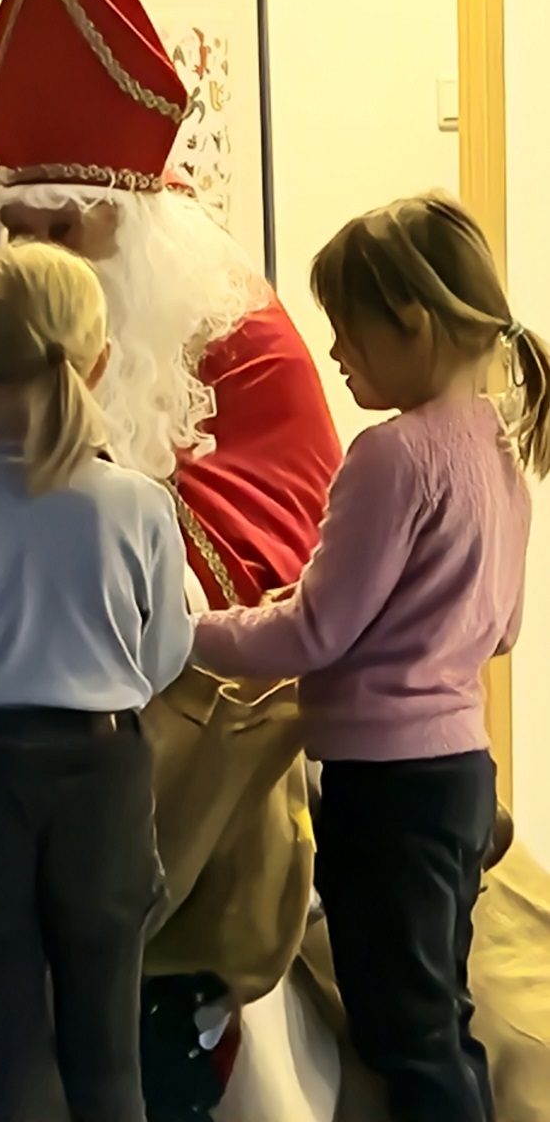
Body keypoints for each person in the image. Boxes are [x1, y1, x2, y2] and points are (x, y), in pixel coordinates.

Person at [0, 0, 343, 1122]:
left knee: (22, 1038)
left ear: (137, 226)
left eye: (69, 231)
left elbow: (283, 531)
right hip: (100, 775)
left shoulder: (239, 333)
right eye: (18, 227)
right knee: (91, 1043)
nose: (40, 256)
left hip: (182, 754)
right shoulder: (89, 462)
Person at [193, 191, 546, 1122]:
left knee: (406, 1038)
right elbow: (501, 629)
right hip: (460, 775)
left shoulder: (393, 454)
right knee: (439, 1023)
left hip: (387, 791)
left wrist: (182, 635)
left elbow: (315, 635)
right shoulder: (498, 447)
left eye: (349, 332)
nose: (336, 353)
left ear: (414, 324)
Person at [0, 239, 194, 1122]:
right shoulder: (141, 505)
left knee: (4, 1053)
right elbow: (166, 655)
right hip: (102, 779)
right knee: (109, 1058)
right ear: (97, 362)